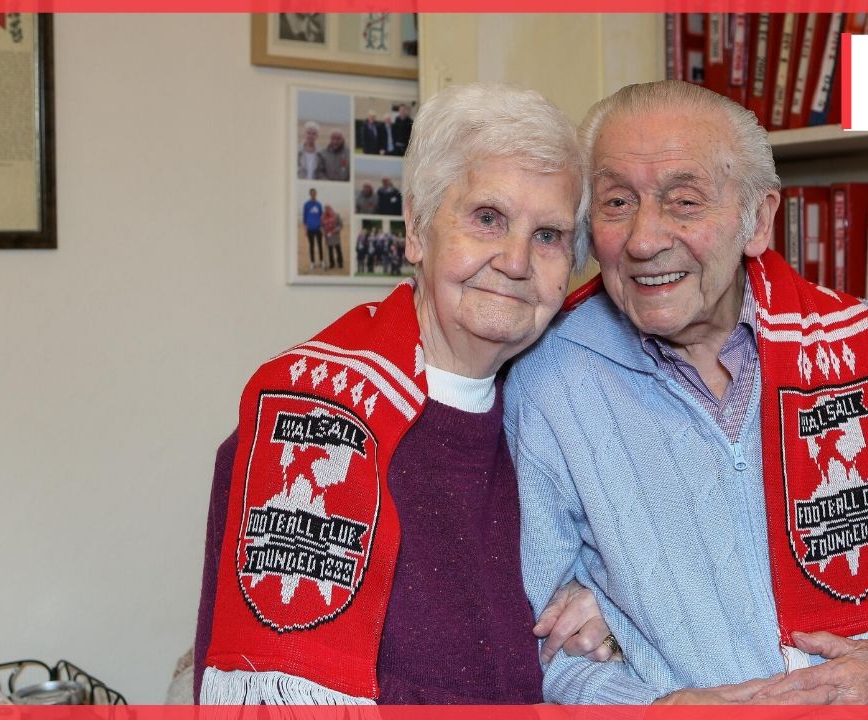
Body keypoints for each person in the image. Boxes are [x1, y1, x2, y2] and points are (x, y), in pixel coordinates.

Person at [506, 80, 868, 705]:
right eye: (616, 203)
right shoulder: (547, 383)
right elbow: (529, 643)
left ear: (759, 219)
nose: (643, 239)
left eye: (684, 201)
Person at [195, 83, 613, 705]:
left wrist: (608, 610)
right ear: (416, 228)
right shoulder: (310, 420)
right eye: (487, 218)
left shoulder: (562, 405)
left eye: (548, 235)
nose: (517, 261)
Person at [302, 188, 323, 271]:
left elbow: (321, 216)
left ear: (316, 194)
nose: (313, 194)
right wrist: (305, 230)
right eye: (312, 193)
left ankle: (321, 261)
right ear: (310, 194)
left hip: (318, 228)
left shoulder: (319, 204)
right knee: (311, 246)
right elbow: (304, 218)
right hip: (310, 229)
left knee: (320, 245)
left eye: (315, 193)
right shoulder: (306, 205)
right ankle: (312, 262)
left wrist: (322, 227)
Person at [321, 204, 344, 270]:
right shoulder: (322, 217)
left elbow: (341, 225)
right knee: (330, 250)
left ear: (331, 208)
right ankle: (332, 263)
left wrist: (335, 230)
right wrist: (322, 231)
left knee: (338, 249)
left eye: (328, 208)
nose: (327, 210)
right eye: (325, 209)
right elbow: (321, 226)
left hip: (335, 235)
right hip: (328, 236)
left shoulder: (336, 215)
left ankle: (340, 263)